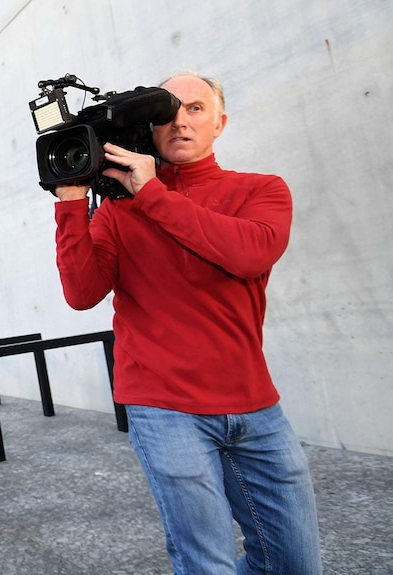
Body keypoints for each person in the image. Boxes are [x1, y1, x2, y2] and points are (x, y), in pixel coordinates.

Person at [53, 72, 322, 574]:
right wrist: (70, 203)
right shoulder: (117, 211)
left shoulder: (262, 190)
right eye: (167, 112)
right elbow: (82, 294)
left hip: (256, 407)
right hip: (164, 408)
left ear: (220, 122)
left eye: (195, 109)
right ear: (149, 128)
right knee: (207, 563)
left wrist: (152, 193)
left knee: (293, 563)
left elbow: (247, 253)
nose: (180, 121)